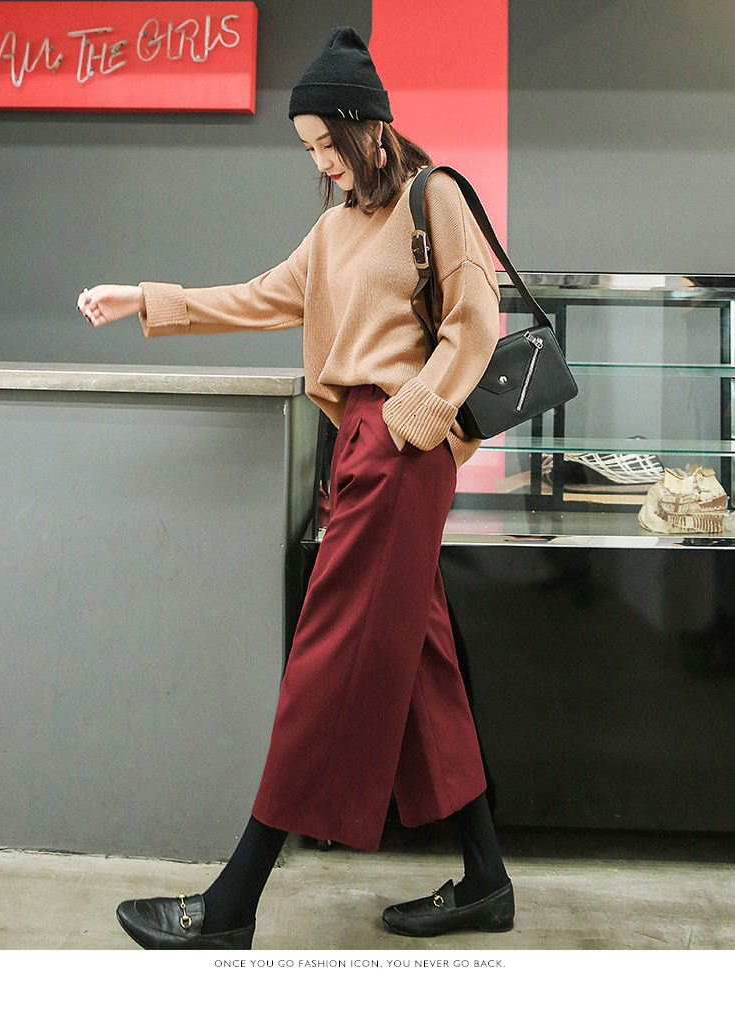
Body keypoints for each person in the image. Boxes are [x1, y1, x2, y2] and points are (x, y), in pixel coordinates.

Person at [76, 26, 513, 950]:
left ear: (368, 125)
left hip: (398, 447)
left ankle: (232, 902)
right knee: (422, 660)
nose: (319, 161)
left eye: (326, 141)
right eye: (308, 147)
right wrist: (146, 298)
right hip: (360, 446)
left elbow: (477, 321)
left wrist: (409, 420)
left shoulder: (433, 197)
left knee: (325, 661)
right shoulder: (334, 230)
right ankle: (487, 881)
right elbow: (259, 296)